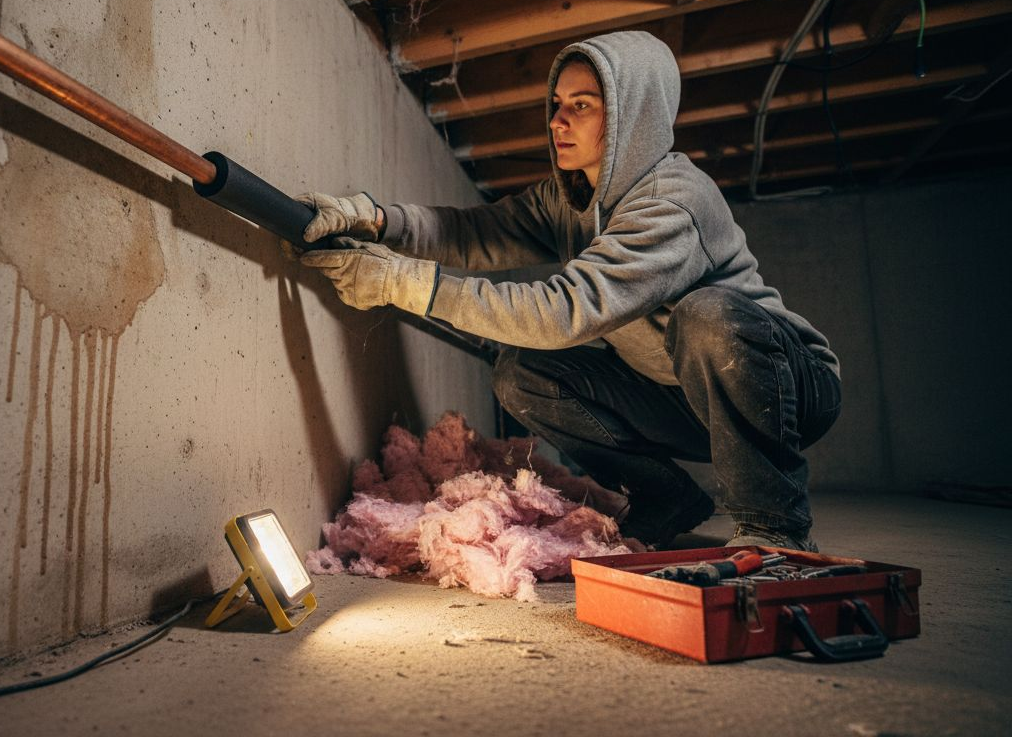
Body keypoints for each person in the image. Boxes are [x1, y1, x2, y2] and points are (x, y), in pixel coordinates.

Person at [296, 30, 841, 552]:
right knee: (522, 373)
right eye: (557, 103)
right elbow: (475, 232)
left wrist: (401, 282)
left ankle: (775, 526)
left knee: (706, 315)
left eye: (582, 106)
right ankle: (664, 497)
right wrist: (375, 218)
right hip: (679, 398)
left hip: (785, 391)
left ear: (633, 117)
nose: (557, 120)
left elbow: (564, 310)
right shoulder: (573, 195)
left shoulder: (672, 203)